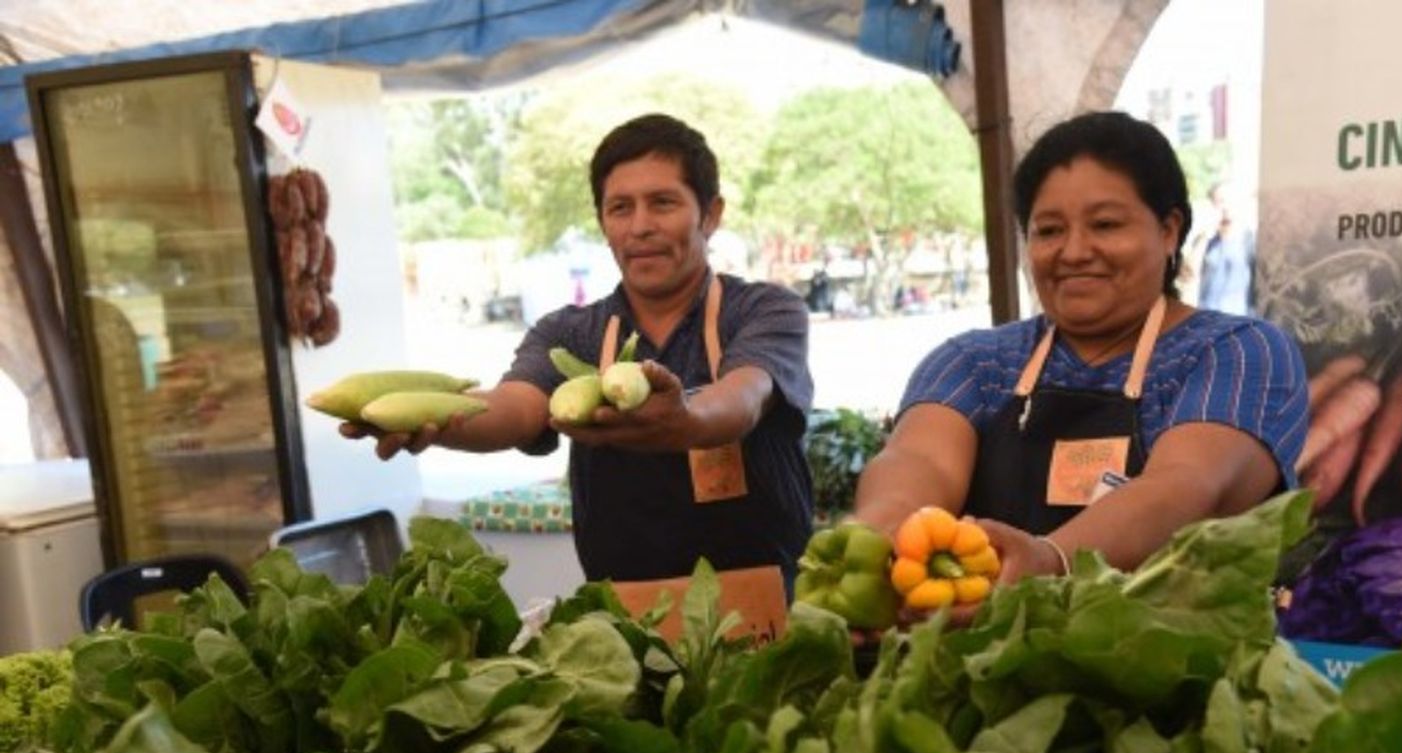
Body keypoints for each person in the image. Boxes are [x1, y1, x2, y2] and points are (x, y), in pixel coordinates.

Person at [345, 114, 814, 621]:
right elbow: (514, 408)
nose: (640, 226)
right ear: (602, 221)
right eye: (620, 208)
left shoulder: (764, 310)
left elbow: (743, 397)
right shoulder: (570, 335)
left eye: (663, 202)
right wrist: (434, 424)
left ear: (710, 214)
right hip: (627, 620)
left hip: (764, 610)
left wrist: (687, 421)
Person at [853, 111, 1307, 585]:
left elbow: (1189, 486)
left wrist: (1052, 560)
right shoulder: (975, 362)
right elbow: (918, 460)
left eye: (1105, 224)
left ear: (1169, 230)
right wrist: (879, 538)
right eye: (1048, 230)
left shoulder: (1234, 352)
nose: (1073, 251)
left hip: (1183, 655)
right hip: (984, 655)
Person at [1196, 184, 1256, 316]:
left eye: (1229, 200)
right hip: (1206, 321)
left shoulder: (1251, 240)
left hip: (1239, 321)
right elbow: (1189, 274)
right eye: (1219, 202)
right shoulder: (1207, 240)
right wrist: (1205, 236)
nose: (1225, 207)